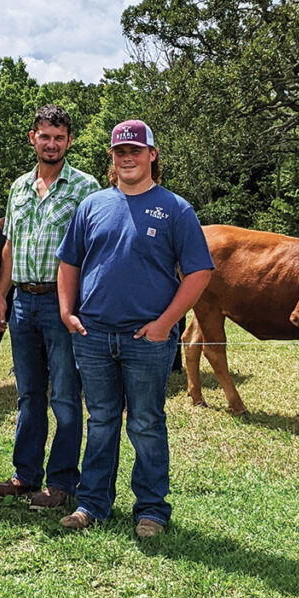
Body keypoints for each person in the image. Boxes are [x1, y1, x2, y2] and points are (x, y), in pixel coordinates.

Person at [56, 119, 213, 535]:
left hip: (148, 339)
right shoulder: (92, 205)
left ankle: (151, 510)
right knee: (102, 420)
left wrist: (166, 323)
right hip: (92, 336)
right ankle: (92, 504)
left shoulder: (176, 209)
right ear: (112, 157)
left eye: (136, 151)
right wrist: (68, 312)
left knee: (145, 422)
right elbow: (69, 261)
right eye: (120, 152)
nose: (128, 158)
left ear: (152, 155)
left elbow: (199, 273)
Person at [0, 105, 100, 510]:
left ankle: (62, 482)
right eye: (44, 136)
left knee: (66, 396)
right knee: (29, 393)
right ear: (32, 138)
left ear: (69, 141)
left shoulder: (85, 188)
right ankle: (25, 474)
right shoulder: (18, 187)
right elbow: (10, 246)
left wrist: (79, 304)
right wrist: (2, 296)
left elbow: (93, 250)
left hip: (62, 302)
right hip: (22, 302)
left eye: (59, 137)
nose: (51, 144)